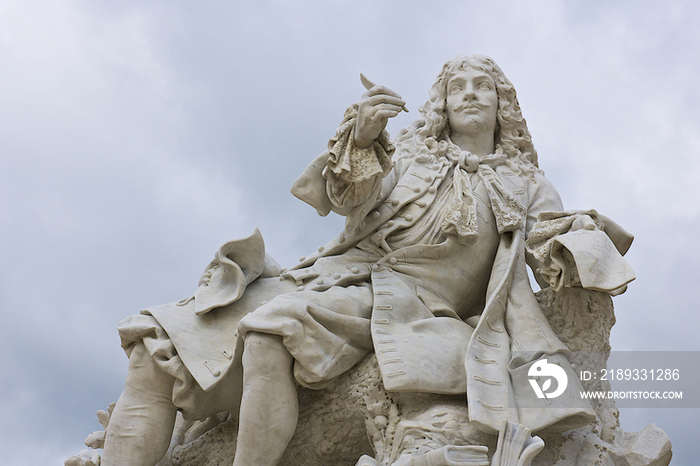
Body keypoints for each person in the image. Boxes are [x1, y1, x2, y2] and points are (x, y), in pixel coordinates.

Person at [99, 54, 634, 466]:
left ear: (502, 103)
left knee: (270, 332)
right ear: (442, 104)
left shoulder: (528, 182)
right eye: (457, 87)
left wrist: (584, 238)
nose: (469, 95)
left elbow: (549, 244)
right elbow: (352, 201)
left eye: (483, 86)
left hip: (411, 303)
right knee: (154, 342)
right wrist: (363, 136)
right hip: (332, 275)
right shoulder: (409, 154)